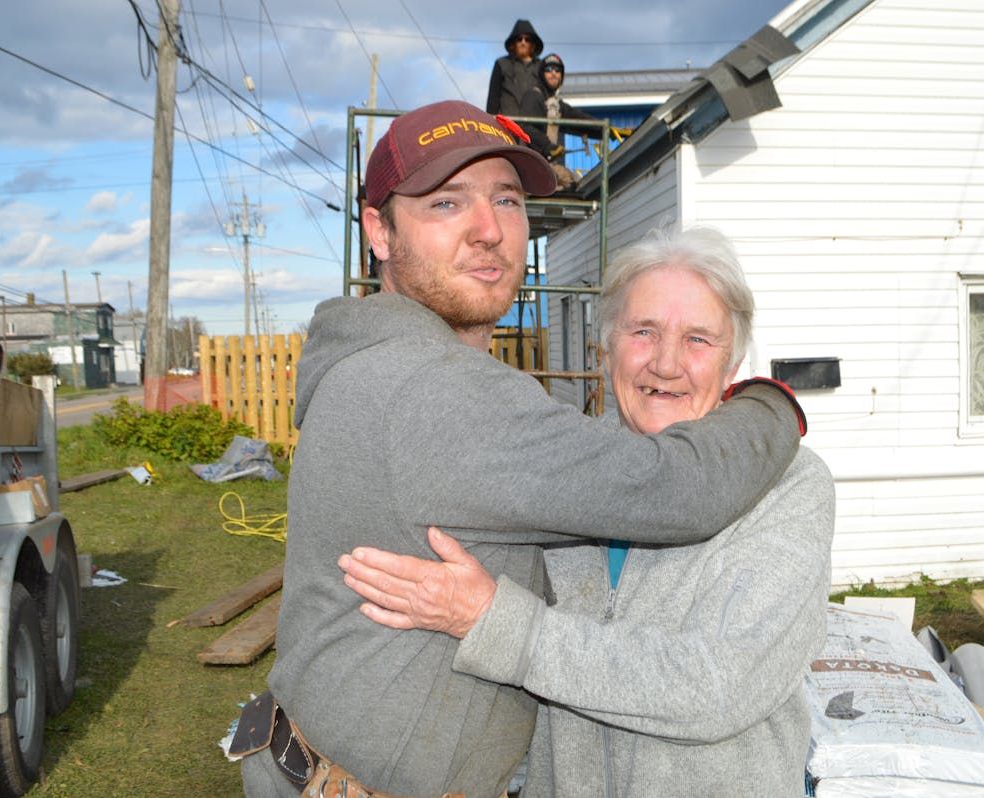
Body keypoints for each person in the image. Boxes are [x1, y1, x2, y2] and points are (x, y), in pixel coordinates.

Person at [234, 99, 805, 798]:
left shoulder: (402, 371)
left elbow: (716, 678)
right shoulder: (436, 391)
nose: (488, 230)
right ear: (378, 231)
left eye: (506, 199)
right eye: (446, 204)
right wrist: (774, 401)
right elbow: (682, 489)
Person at [339, 226, 836, 796]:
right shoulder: (559, 471)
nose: (667, 363)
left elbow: (718, 685)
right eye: (643, 331)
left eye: (698, 339)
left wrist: (493, 623)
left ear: (733, 364)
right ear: (606, 349)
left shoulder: (790, 486)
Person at [486, 20, 558, 163]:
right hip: (507, 129)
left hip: (535, 132)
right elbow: (493, 99)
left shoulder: (542, 67)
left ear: (533, 44)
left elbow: (551, 97)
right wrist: (489, 125)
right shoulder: (502, 64)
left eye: (527, 39)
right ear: (513, 43)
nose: (523, 42)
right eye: (519, 39)